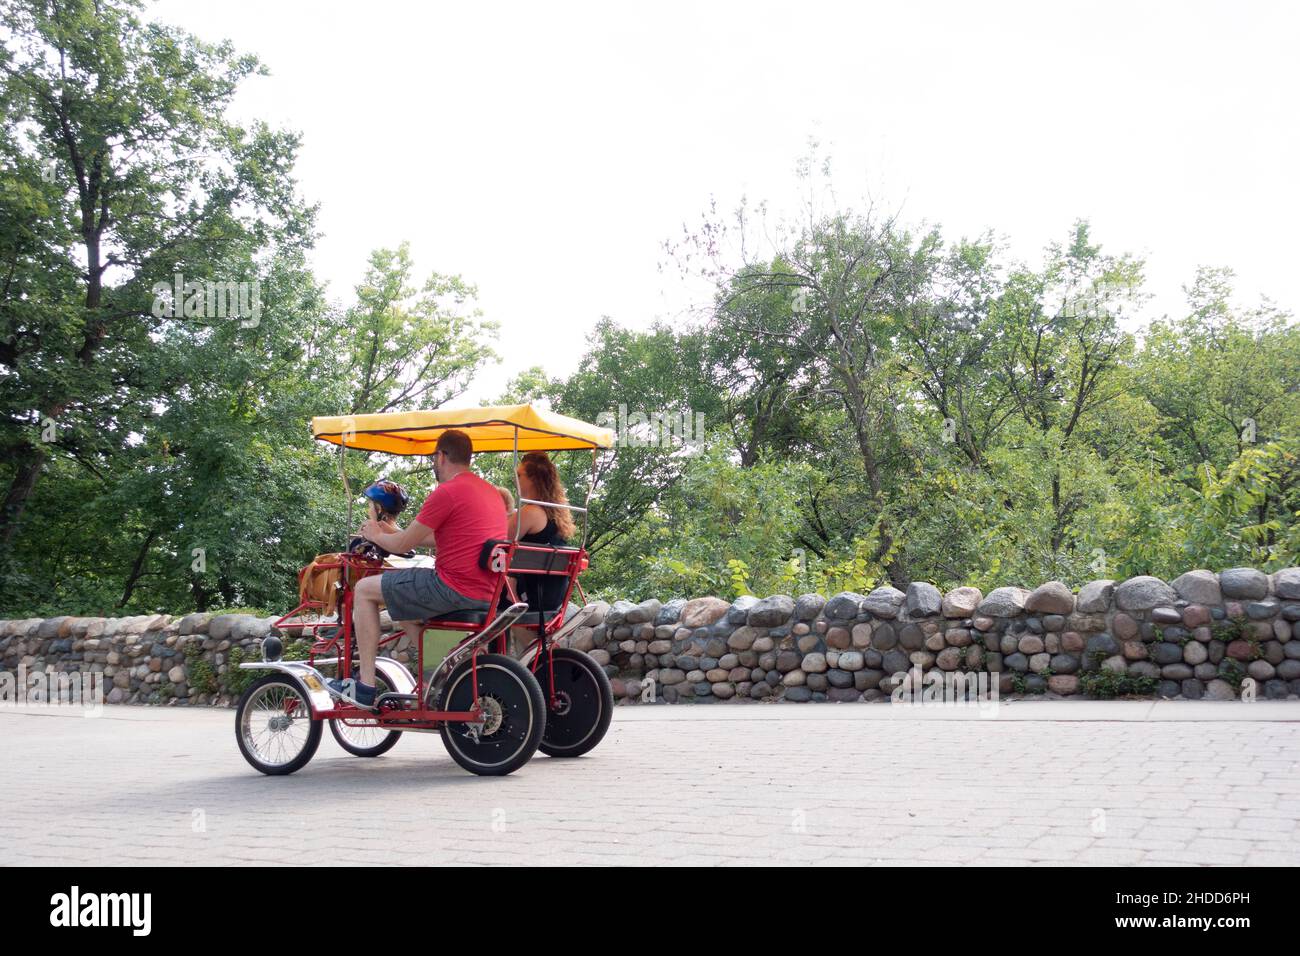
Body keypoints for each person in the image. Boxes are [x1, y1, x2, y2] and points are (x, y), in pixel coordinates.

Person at [327, 429, 506, 709]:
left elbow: (401, 545)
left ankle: (364, 684)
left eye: (434, 458)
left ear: (441, 456)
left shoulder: (447, 492)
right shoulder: (490, 492)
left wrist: (375, 535)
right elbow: (436, 538)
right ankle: (435, 673)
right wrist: (390, 531)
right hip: (487, 593)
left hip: (452, 588)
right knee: (404, 602)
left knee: (364, 590)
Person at [501, 452, 575, 654]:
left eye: (520, 475)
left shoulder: (530, 513)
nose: (515, 480)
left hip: (529, 599)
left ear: (533, 479)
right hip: (552, 596)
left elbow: (496, 540)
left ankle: (491, 659)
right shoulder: (556, 513)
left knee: (477, 595)